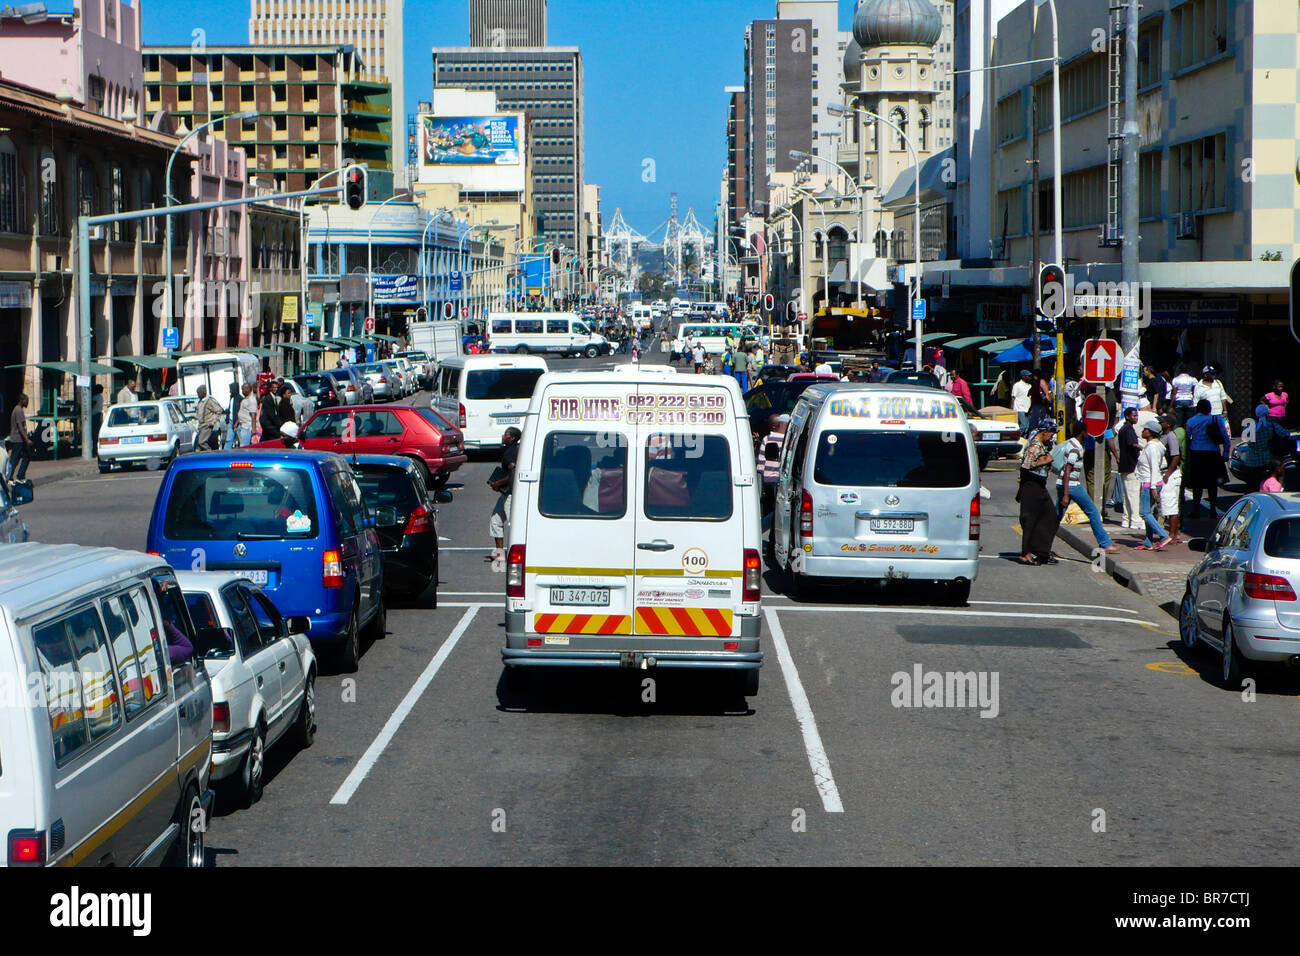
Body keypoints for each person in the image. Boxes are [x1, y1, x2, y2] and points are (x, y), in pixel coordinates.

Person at [1057, 420, 1119, 555]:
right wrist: (1066, 494)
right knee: (1093, 512)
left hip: (1064, 484)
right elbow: (1068, 470)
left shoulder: (1072, 443)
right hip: (1071, 485)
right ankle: (1105, 543)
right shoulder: (1075, 447)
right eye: (1087, 432)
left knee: (1056, 516)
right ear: (1083, 432)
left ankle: (1041, 543)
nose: (1088, 435)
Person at [1017, 420, 1060, 565]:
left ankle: (1042, 551)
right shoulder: (1035, 446)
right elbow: (1026, 466)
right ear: (1044, 432)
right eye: (1051, 433)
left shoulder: (1042, 444)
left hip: (1040, 485)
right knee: (1030, 520)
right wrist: (1046, 460)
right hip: (1031, 486)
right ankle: (1025, 553)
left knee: (1050, 517)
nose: (1052, 437)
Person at [1185, 399, 1228, 518]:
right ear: (1209, 408)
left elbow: (1188, 438)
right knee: (1212, 484)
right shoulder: (1216, 419)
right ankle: (1213, 509)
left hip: (1196, 453)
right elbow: (1225, 437)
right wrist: (1226, 453)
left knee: (1197, 484)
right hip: (1212, 453)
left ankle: (1196, 510)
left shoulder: (1191, 421)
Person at [487, 427, 521, 565]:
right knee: (496, 519)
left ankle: (517, 554)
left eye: (506, 434)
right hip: (505, 494)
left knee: (513, 524)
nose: (503, 435)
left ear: (512, 438)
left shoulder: (510, 453)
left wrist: (497, 483)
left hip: (511, 494)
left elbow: (513, 472)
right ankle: (500, 554)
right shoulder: (514, 450)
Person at [1133, 422, 1170, 550]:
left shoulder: (1152, 448)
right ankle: (1148, 542)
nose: (1143, 431)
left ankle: (1163, 535)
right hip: (1151, 482)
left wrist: (1153, 487)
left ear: (1150, 432)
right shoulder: (1153, 446)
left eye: (1145, 429)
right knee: (1148, 513)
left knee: (1144, 513)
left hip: (1149, 483)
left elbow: (1155, 467)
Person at [1193, 366, 1232, 460]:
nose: (1214, 375)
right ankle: (1212, 455)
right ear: (1206, 375)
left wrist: (1225, 410)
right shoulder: (1199, 386)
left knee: (1226, 437)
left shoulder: (1218, 383)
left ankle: (1226, 455)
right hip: (1207, 416)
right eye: (1212, 373)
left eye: (1215, 373)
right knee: (1210, 438)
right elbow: (1195, 403)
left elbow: (1223, 397)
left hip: (1219, 415)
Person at [1157, 415, 1184, 545]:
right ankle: (1173, 533)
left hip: (1171, 475)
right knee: (1166, 505)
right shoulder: (1162, 436)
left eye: (1161, 422)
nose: (1159, 423)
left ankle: (1173, 534)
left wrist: (1168, 473)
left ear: (1168, 424)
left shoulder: (1171, 437)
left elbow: (1175, 456)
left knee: (1171, 506)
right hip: (1165, 473)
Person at [755, 414, 787, 516]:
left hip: (768, 482)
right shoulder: (789, 440)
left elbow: (760, 465)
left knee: (768, 510)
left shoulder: (767, 439)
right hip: (782, 483)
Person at [1116, 406, 1142, 531]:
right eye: (1134, 415)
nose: (1136, 418)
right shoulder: (1128, 429)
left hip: (1124, 466)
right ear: (1127, 416)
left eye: (1136, 415)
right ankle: (1135, 520)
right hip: (1131, 465)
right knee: (1133, 494)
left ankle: (1127, 519)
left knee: (1127, 495)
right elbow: (1132, 444)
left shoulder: (1123, 429)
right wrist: (1143, 448)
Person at [4, 393, 32, 482]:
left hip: (19, 439)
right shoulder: (18, 410)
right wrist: (27, 439)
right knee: (14, 458)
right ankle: (10, 476)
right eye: (26, 400)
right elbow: (20, 426)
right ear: (22, 400)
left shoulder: (18, 409)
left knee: (25, 456)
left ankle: (20, 475)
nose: (27, 402)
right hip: (18, 439)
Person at [195, 384, 224, 451]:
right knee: (197, 446)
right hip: (201, 425)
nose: (198, 395)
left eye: (199, 393)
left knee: (202, 442)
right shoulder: (200, 401)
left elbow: (219, 410)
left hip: (207, 425)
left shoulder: (209, 401)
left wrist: (213, 421)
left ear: (203, 393)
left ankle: (209, 452)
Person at [235, 382, 256, 448]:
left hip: (247, 427)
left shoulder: (251, 400)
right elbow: (242, 412)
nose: (242, 392)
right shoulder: (245, 399)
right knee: (241, 445)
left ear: (248, 389)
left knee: (245, 447)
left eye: (243, 390)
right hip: (241, 426)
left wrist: (253, 429)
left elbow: (253, 416)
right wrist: (236, 424)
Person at [1011, 370, 1033, 435]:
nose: (1029, 377)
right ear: (1023, 376)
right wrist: (1011, 409)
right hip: (1019, 408)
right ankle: (1015, 437)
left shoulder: (1030, 386)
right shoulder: (1017, 385)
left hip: (1027, 409)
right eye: (1028, 376)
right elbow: (1013, 397)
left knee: (1028, 428)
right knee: (1024, 426)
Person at [225, 382, 241, 450]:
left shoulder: (240, 399)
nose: (229, 391)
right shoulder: (231, 398)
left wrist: (236, 423)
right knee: (229, 440)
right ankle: (225, 454)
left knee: (241, 440)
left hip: (238, 423)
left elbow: (241, 412)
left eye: (231, 389)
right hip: (231, 421)